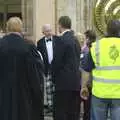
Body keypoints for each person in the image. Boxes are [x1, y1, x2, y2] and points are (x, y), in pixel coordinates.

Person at [0, 17, 44, 120]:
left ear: (7, 28)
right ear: (21, 29)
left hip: (2, 95)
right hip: (24, 96)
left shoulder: (1, 45)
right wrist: (38, 95)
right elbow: (35, 75)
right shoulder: (28, 47)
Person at [81, 20, 120, 120]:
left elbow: (86, 70)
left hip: (99, 93)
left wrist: (84, 87)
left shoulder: (96, 46)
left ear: (106, 31)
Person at [52, 16, 81, 120]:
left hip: (63, 83)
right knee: (73, 113)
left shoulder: (61, 40)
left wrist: (53, 77)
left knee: (61, 113)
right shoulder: (76, 40)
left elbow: (57, 62)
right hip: (76, 82)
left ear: (60, 25)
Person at [37, 24, 60, 113]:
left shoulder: (58, 40)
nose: (49, 32)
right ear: (43, 32)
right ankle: (50, 106)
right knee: (48, 87)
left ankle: (57, 105)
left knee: (57, 86)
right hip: (46, 67)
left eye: (50, 30)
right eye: (47, 31)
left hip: (56, 67)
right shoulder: (40, 43)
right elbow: (39, 56)